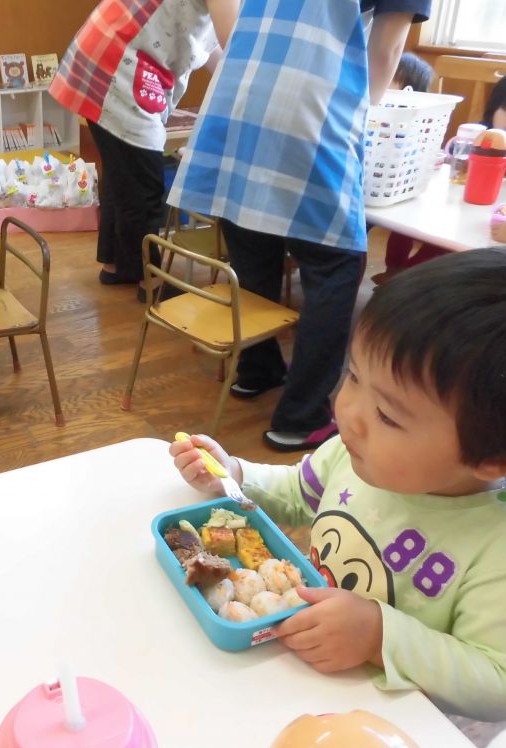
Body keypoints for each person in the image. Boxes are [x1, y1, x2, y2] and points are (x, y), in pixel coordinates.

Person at [170, 246, 506, 722]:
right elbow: (297, 495)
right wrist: (234, 476)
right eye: (354, 376)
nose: (349, 412)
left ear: (496, 457)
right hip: (293, 677)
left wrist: (380, 637)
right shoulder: (355, 450)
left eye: (387, 413)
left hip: (381, 718)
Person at [169, 0, 430, 451]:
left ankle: (257, 370)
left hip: (237, 101)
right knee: (338, 264)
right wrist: (356, 113)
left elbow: (233, 25)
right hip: (308, 106)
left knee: (253, 240)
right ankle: (302, 416)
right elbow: (387, 52)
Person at [49, 0, 237, 301]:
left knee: (122, 175)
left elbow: (217, 46)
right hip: (121, 66)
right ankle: (150, 282)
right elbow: (235, 42)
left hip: (104, 51)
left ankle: (117, 266)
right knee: (145, 187)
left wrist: (228, 76)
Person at [383, 69, 506, 277]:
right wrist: (462, 150)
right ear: (493, 110)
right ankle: (394, 267)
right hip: (454, 205)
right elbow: (451, 155)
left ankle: (406, 275)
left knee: (439, 250)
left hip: (484, 217)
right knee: (406, 224)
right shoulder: (478, 136)